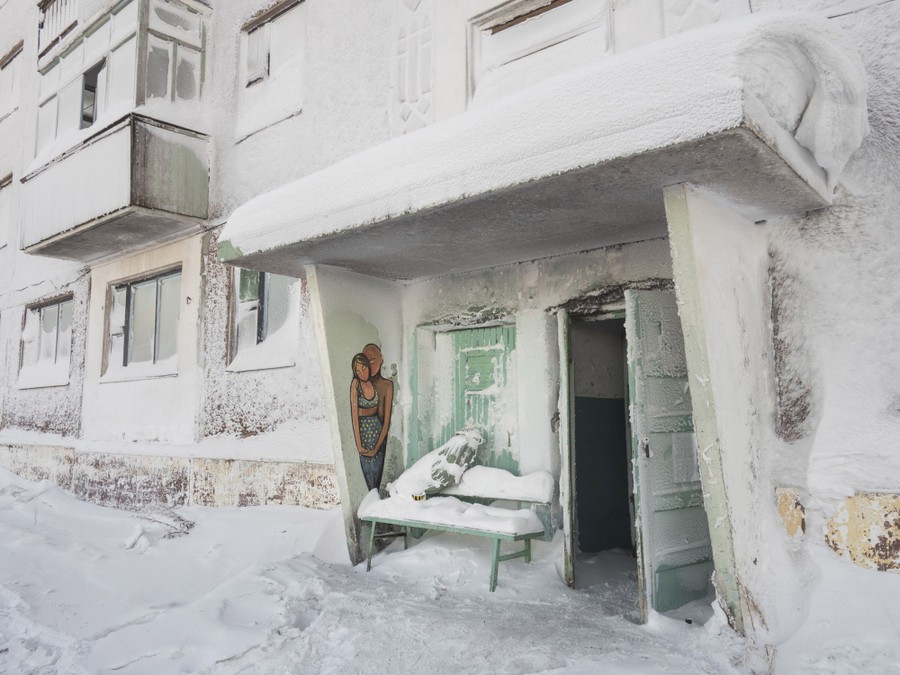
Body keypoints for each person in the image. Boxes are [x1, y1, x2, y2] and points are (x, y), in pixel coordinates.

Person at [350, 352, 385, 491]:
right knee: (368, 473)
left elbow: (378, 410)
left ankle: (375, 499)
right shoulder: (355, 384)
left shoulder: (375, 383)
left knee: (378, 473)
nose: (361, 373)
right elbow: (354, 417)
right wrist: (359, 445)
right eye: (358, 371)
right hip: (364, 436)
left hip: (377, 433)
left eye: (363, 368)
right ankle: (371, 501)